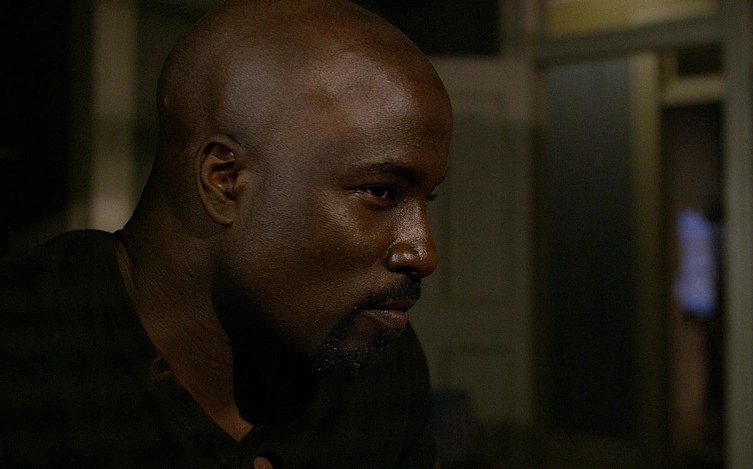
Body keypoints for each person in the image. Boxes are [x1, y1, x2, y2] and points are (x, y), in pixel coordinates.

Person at [0, 0, 452, 467]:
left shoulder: (378, 364)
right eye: (381, 192)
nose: (423, 253)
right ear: (226, 180)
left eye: (428, 198)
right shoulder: (24, 347)